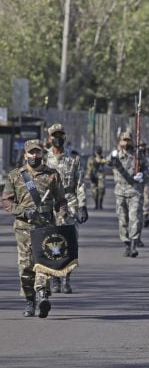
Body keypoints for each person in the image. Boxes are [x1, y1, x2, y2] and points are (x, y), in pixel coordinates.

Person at [2, 139, 68, 317]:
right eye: (31, 152)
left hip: (45, 227)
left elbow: (61, 200)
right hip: (24, 228)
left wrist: (61, 214)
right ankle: (29, 300)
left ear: (42, 154)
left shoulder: (52, 175)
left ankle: (42, 294)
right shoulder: (16, 175)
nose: (34, 155)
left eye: (37, 152)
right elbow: (6, 201)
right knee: (26, 267)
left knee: (43, 262)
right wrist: (22, 211)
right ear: (25, 155)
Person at [43, 123, 88, 294]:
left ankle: (67, 277)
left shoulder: (73, 160)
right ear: (49, 138)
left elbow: (79, 184)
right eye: (54, 135)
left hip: (70, 202)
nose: (57, 138)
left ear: (65, 138)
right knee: (52, 241)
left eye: (60, 135)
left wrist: (82, 205)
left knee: (70, 241)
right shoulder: (44, 159)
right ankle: (55, 277)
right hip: (49, 203)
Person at [109, 131, 145, 257]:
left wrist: (144, 175)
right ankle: (127, 244)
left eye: (129, 140)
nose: (126, 143)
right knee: (123, 220)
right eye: (124, 140)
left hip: (135, 191)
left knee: (135, 218)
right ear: (120, 142)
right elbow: (107, 163)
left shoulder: (139, 156)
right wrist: (112, 159)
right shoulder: (115, 156)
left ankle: (134, 244)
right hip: (120, 192)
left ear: (133, 141)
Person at [86, 146, 108, 210]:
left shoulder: (103, 158)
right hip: (93, 175)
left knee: (101, 189)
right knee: (94, 191)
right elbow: (89, 166)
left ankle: (100, 204)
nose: (98, 153)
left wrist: (100, 160)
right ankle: (96, 204)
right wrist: (89, 174)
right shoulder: (91, 158)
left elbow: (106, 161)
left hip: (101, 175)